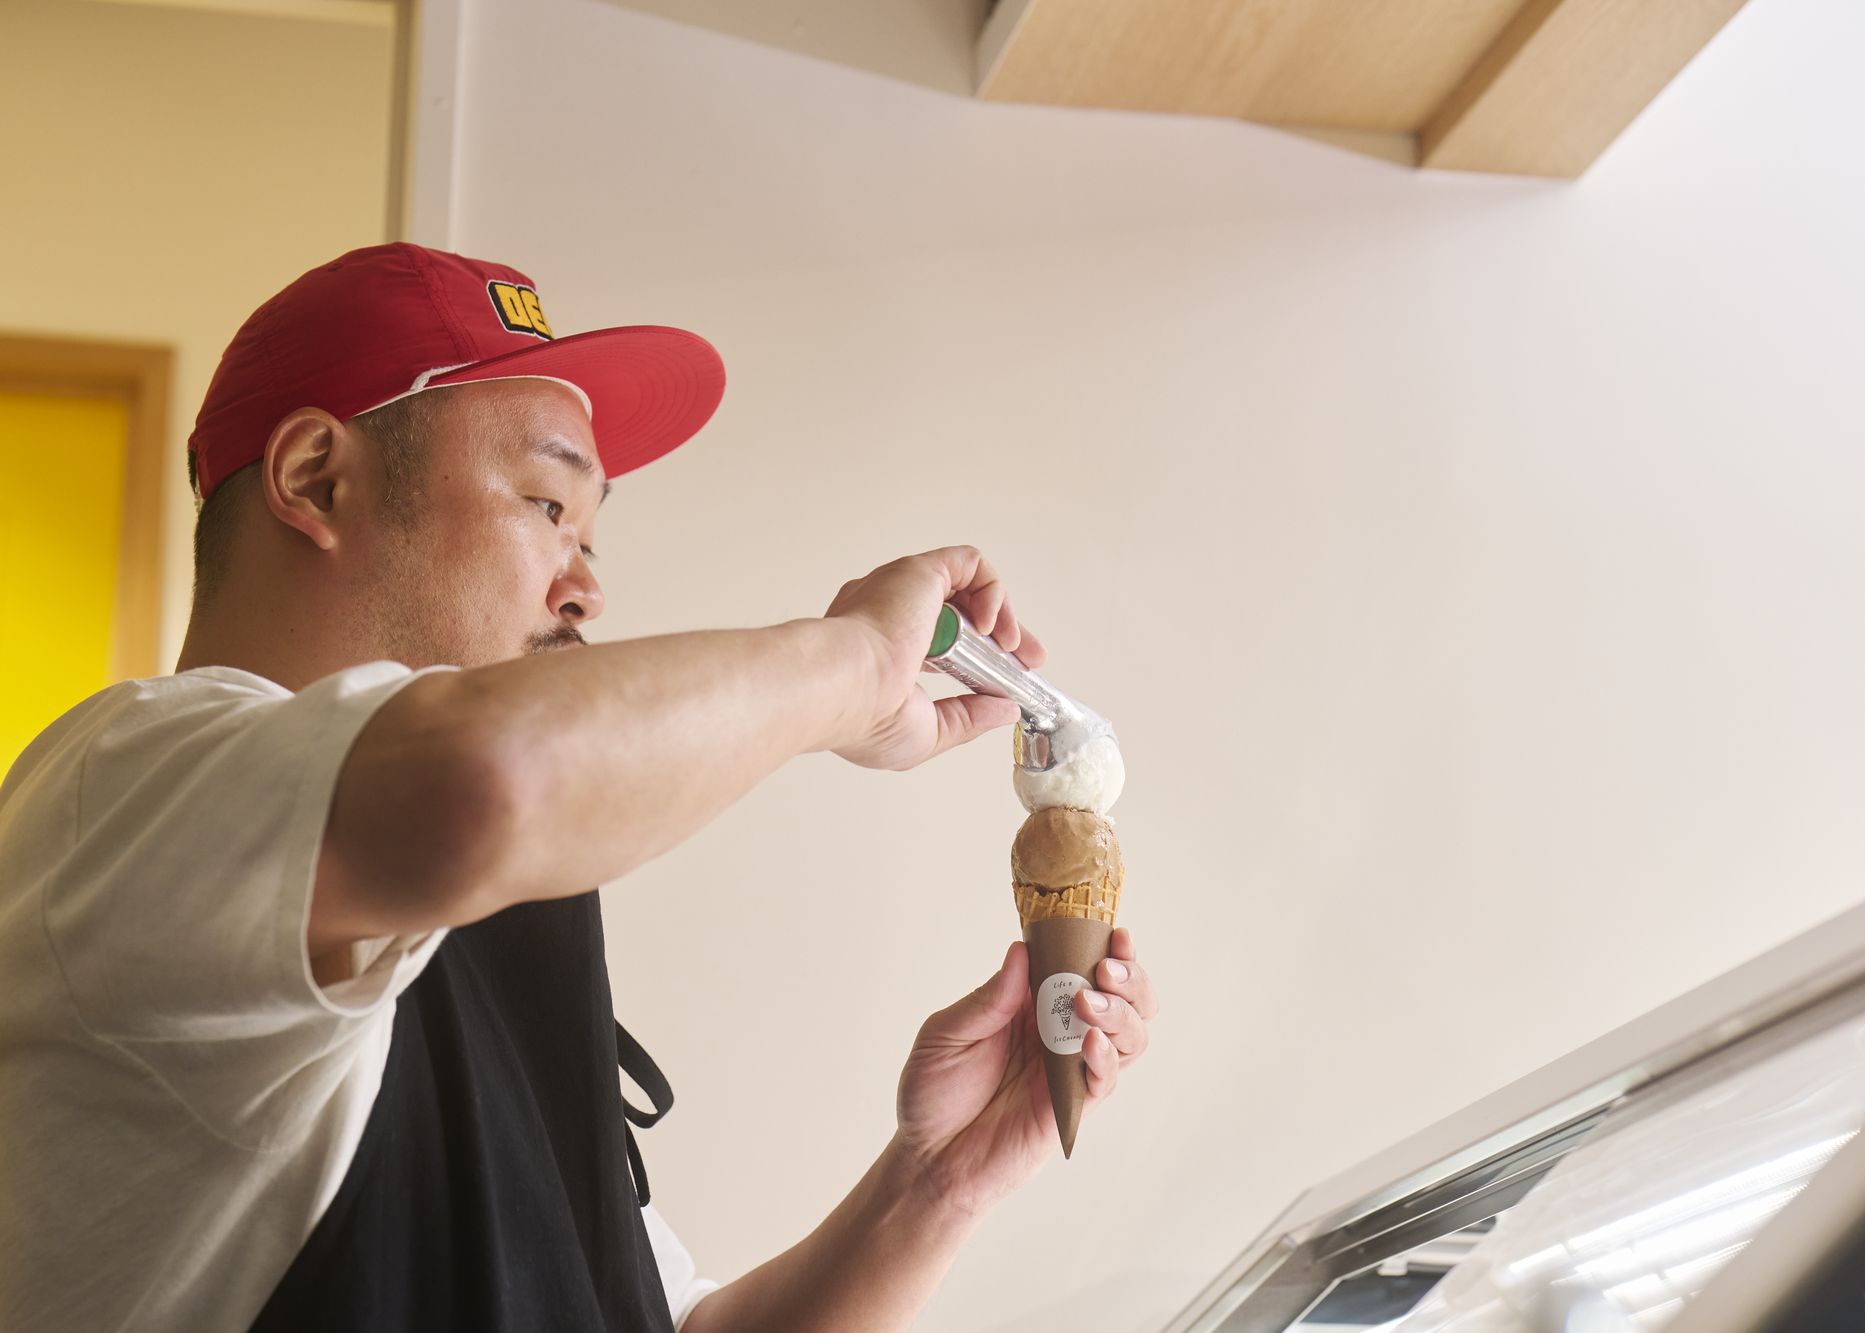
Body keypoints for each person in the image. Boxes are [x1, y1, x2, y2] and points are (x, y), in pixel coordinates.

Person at [0, 243, 1157, 1332]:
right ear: (316, 477)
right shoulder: (126, 788)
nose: (586, 590)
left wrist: (938, 1183)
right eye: (548, 507)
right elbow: (487, 780)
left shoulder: (460, 924)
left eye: (591, 537)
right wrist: (854, 663)